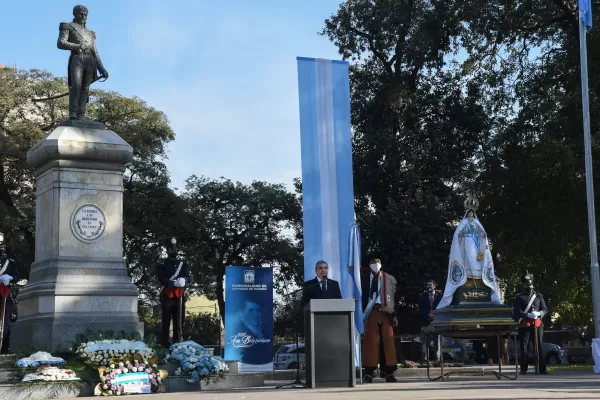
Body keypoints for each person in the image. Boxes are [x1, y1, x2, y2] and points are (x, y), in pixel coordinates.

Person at [437, 197, 501, 309]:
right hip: (466, 244)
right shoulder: (464, 223)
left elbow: (482, 234)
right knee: (468, 261)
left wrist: (483, 236)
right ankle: (467, 278)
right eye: (469, 213)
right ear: (467, 214)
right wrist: (460, 235)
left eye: (472, 213)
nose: (471, 215)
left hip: (475, 246)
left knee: (476, 262)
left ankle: (477, 278)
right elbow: (458, 235)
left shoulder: (476, 223)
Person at [57, 5, 109, 120]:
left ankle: (81, 115)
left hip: (90, 61)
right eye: (81, 13)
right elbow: (61, 43)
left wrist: (102, 69)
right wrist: (77, 46)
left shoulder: (91, 33)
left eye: (85, 14)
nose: (83, 16)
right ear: (74, 14)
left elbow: (95, 51)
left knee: (85, 88)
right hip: (77, 58)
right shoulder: (67, 26)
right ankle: (73, 113)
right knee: (76, 85)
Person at [361, 259, 398, 383]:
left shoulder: (388, 279)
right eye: (373, 262)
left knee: (387, 342)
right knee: (370, 342)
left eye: (378, 262)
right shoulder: (363, 278)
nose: (376, 264)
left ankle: (388, 372)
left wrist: (394, 316)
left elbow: (393, 298)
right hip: (370, 312)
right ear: (369, 265)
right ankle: (369, 372)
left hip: (386, 312)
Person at [156, 237, 190, 347]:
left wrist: (185, 280)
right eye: (171, 250)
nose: (174, 252)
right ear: (167, 250)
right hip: (167, 296)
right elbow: (161, 278)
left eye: (175, 250)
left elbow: (188, 277)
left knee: (179, 322)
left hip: (179, 296)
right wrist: (172, 283)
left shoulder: (183, 264)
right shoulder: (162, 263)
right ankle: (165, 345)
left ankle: (177, 344)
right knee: (166, 322)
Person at [513, 271, 548, 374]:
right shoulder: (519, 297)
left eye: (530, 284)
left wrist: (538, 313)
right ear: (523, 285)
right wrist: (527, 315)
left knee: (539, 346)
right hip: (525, 324)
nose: (529, 286)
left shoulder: (539, 296)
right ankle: (523, 368)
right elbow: (517, 311)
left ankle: (541, 368)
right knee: (524, 347)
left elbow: (545, 310)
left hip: (537, 324)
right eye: (527, 284)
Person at [0, 232, 20, 354]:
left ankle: (3, 349)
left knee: (5, 324)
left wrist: (10, 278)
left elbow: (17, 276)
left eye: (2, 244)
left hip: (4, 296)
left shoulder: (10, 262)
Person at [418, 279, 442, 363]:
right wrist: (427, 316)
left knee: (437, 342)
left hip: (437, 322)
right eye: (427, 286)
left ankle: (437, 360)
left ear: (434, 286)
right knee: (425, 343)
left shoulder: (440, 296)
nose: (429, 287)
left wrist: (435, 316)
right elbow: (421, 310)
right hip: (426, 323)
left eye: (430, 285)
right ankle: (425, 360)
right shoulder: (423, 297)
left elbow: (442, 307)